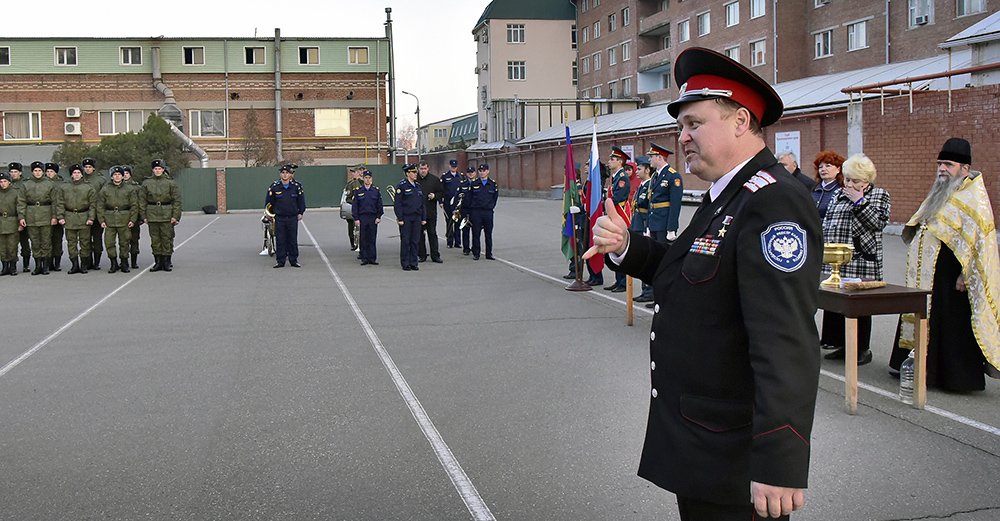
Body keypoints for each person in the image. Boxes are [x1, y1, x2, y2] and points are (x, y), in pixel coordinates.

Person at [585, 47, 821, 520]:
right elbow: (692, 271)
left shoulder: (772, 201)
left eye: (694, 124)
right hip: (703, 443)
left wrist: (780, 460)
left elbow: (785, 340)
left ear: (739, 120)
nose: (683, 136)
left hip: (735, 453)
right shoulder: (725, 195)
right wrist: (626, 246)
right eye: (681, 127)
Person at [889, 138, 1000, 392]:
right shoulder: (941, 191)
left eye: (948, 165)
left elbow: (980, 243)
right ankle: (917, 366)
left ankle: (953, 377)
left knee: (949, 322)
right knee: (924, 312)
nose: (942, 169)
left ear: (964, 168)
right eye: (940, 164)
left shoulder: (974, 198)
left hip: (951, 276)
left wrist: (965, 274)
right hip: (929, 273)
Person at [818, 154, 891, 365]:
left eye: (855, 181)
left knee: (859, 306)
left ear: (867, 181)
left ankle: (862, 348)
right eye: (847, 179)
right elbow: (828, 223)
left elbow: (877, 222)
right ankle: (841, 344)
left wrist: (859, 201)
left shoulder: (879, 195)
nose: (849, 184)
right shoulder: (838, 195)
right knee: (837, 303)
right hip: (837, 261)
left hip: (861, 260)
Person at [140, 159, 182, 272]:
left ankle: (167, 262)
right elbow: (142, 201)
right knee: (155, 239)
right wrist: (144, 216)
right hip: (152, 213)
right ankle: (158, 262)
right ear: (152, 170)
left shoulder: (170, 183)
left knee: (166, 238)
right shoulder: (147, 183)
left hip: (166, 213)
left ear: (163, 170)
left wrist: (175, 216)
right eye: (155, 169)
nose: (157, 171)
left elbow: (177, 201)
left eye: (159, 169)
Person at [19, 161, 59, 275]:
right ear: (32, 172)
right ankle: (38, 265)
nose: (37, 173)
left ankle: (46, 265)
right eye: (35, 171)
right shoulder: (26, 184)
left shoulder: (50, 184)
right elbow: (21, 202)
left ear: (43, 172)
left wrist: (54, 216)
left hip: (46, 214)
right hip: (31, 215)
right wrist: (22, 217)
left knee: (46, 241)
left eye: (39, 171)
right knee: (35, 242)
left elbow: (55, 201)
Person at [98, 165, 139, 274]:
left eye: (119, 174)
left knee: (124, 242)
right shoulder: (105, 189)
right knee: (109, 242)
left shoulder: (129, 189)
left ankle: (124, 262)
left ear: (122, 176)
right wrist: (101, 220)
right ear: (111, 177)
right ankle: (113, 263)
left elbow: (134, 205)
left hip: (124, 218)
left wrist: (132, 219)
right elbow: (100, 206)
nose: (117, 177)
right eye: (115, 175)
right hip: (109, 219)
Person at [57, 164, 98, 275]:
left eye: (79, 173)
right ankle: (74, 264)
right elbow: (60, 203)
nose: (76, 175)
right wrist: (60, 217)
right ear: (71, 174)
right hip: (69, 217)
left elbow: (93, 204)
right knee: (71, 243)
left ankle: (84, 264)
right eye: (74, 173)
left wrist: (91, 218)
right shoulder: (64, 187)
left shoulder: (88, 187)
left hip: (83, 216)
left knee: (85, 242)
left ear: (82, 174)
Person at [265, 164, 305, 268]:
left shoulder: (295, 187)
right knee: (280, 239)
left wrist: (301, 212)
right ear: (280, 174)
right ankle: (280, 261)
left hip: (292, 217)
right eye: (283, 173)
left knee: (292, 239)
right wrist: (269, 213)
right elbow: (270, 202)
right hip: (280, 217)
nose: (285, 175)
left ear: (290, 174)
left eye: (287, 173)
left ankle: (293, 260)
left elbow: (301, 201)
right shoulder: (275, 187)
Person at [604, 146, 633, 292]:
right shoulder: (614, 177)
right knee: (614, 248)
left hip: (620, 214)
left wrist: (606, 206)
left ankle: (623, 282)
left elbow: (616, 198)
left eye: (612, 159)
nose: (609, 162)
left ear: (620, 162)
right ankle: (618, 280)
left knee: (620, 248)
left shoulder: (622, 178)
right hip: (614, 214)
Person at [646, 143, 683, 245]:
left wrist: (671, 228)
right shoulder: (654, 176)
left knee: (663, 254)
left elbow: (675, 204)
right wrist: (648, 225)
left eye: (651, 157)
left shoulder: (673, 176)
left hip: (664, 224)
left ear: (659, 157)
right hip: (654, 222)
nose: (649, 159)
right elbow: (651, 200)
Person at [630, 156, 654, 302]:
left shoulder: (651, 185)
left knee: (647, 260)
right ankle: (644, 290)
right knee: (640, 260)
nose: (636, 171)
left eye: (639, 169)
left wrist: (648, 227)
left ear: (647, 169)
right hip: (637, 225)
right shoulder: (642, 185)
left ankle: (649, 291)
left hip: (644, 226)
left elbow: (650, 207)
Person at [395, 164, 426, 271]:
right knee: (406, 241)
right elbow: (398, 204)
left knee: (415, 241)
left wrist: (423, 218)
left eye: (416, 172)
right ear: (408, 174)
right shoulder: (402, 186)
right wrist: (400, 218)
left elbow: (422, 204)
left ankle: (414, 262)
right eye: (413, 172)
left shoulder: (418, 186)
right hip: (406, 218)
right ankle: (405, 263)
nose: (415, 174)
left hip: (416, 217)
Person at [351, 169, 383, 265]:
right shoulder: (359, 191)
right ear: (363, 179)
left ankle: (372, 258)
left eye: (369, 178)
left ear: (371, 179)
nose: (368, 180)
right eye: (366, 178)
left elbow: (379, 205)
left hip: (373, 217)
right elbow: (355, 206)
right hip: (363, 217)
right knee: (363, 238)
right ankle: (364, 258)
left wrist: (379, 216)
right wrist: (356, 218)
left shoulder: (376, 191)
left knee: (372, 238)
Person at [468, 163, 498, 261]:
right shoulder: (474, 183)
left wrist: (491, 206)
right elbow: (470, 198)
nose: (482, 172)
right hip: (476, 211)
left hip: (488, 212)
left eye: (484, 170)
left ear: (488, 171)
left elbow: (495, 198)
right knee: (476, 233)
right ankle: (476, 253)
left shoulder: (492, 184)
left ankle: (489, 253)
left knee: (488, 233)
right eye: (480, 171)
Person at [81, 158, 107, 270]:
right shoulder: (80, 179)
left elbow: (104, 197)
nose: (87, 169)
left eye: (89, 167)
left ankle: (97, 261)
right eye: (86, 167)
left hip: (97, 213)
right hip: (84, 213)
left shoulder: (100, 180)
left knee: (97, 238)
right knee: (85, 239)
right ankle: (87, 261)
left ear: (93, 168)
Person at [416, 161, 444, 263]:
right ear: (418, 169)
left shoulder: (435, 180)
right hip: (418, 212)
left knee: (432, 233)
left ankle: (435, 255)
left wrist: (435, 196)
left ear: (428, 169)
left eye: (425, 169)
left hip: (430, 212)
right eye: (421, 169)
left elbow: (441, 193)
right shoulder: (415, 180)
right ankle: (422, 255)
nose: (423, 171)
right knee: (419, 235)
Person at [8, 162, 31, 272]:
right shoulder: (6, 183)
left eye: (15, 172)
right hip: (10, 219)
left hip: (23, 216)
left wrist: (23, 217)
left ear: (20, 172)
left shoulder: (25, 183)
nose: (13, 174)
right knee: (11, 244)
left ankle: (26, 264)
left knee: (24, 242)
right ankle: (11, 264)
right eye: (11, 172)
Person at [0, 172, 24, 276]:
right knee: (2, 247)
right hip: (1, 222)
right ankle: (4, 266)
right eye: (1, 182)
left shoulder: (15, 192)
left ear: (9, 182)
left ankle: (13, 266)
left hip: (12, 221)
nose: (3, 184)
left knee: (12, 246)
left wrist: (21, 220)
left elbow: (20, 207)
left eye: (5, 181)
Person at [811, 151, 844, 220]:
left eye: (828, 166)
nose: (823, 169)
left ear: (838, 169)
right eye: (820, 167)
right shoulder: (815, 189)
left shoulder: (841, 190)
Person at [122, 165, 143, 268]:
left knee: (134, 240)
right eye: (124, 173)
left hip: (134, 217)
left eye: (127, 173)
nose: (125, 175)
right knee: (123, 240)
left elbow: (140, 203)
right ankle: (124, 260)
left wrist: (140, 218)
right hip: (121, 218)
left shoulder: (137, 187)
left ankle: (134, 261)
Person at [45, 163, 66, 271]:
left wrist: (60, 215)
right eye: (47, 171)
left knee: (57, 240)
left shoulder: (61, 183)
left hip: (59, 214)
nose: (49, 174)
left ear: (56, 173)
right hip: (46, 215)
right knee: (47, 240)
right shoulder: (43, 183)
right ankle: (49, 262)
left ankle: (57, 261)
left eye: (51, 172)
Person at [441, 159, 462, 248]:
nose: (454, 168)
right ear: (449, 166)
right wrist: (441, 201)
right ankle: (450, 242)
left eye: (455, 166)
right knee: (449, 222)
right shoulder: (445, 177)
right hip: (447, 203)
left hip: (458, 203)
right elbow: (441, 190)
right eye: (452, 166)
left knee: (458, 222)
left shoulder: (461, 176)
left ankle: (458, 242)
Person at [344, 166, 363, 251]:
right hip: (354, 208)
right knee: (351, 226)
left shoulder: (364, 182)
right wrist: (354, 204)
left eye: (354, 172)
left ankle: (362, 244)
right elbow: (348, 197)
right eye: (352, 172)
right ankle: (353, 243)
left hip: (363, 209)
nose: (353, 174)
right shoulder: (350, 184)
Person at [460, 165, 476, 256]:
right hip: (465, 210)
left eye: (472, 172)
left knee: (475, 230)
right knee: (465, 230)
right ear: (467, 174)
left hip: (474, 210)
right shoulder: (463, 184)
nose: (470, 174)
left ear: (475, 173)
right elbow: (458, 196)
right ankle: (466, 248)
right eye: (469, 173)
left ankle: (475, 248)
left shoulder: (478, 183)